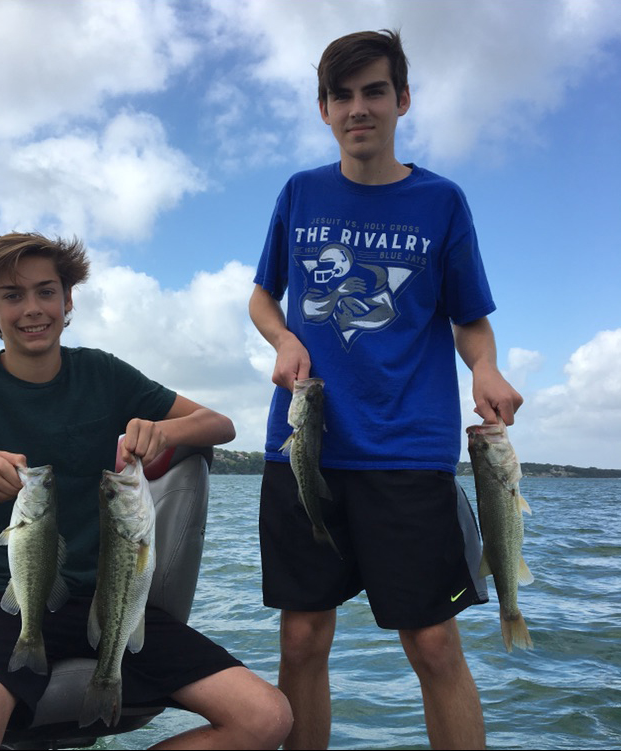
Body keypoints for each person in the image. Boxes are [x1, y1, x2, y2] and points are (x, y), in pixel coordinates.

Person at [0, 232, 292, 750]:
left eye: (46, 292)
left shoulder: (102, 373)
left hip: (105, 597)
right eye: (12, 295)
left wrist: (166, 430)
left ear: (68, 300)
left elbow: (221, 424)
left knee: (266, 717)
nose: (33, 309)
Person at [248, 30, 523, 750]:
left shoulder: (442, 202)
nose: (358, 108)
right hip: (303, 449)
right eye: (343, 95)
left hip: (407, 452)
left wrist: (485, 368)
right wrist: (283, 340)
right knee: (302, 639)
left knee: (433, 644)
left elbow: (470, 319)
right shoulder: (300, 194)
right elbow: (262, 298)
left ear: (402, 100)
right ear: (324, 109)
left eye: (374, 91)